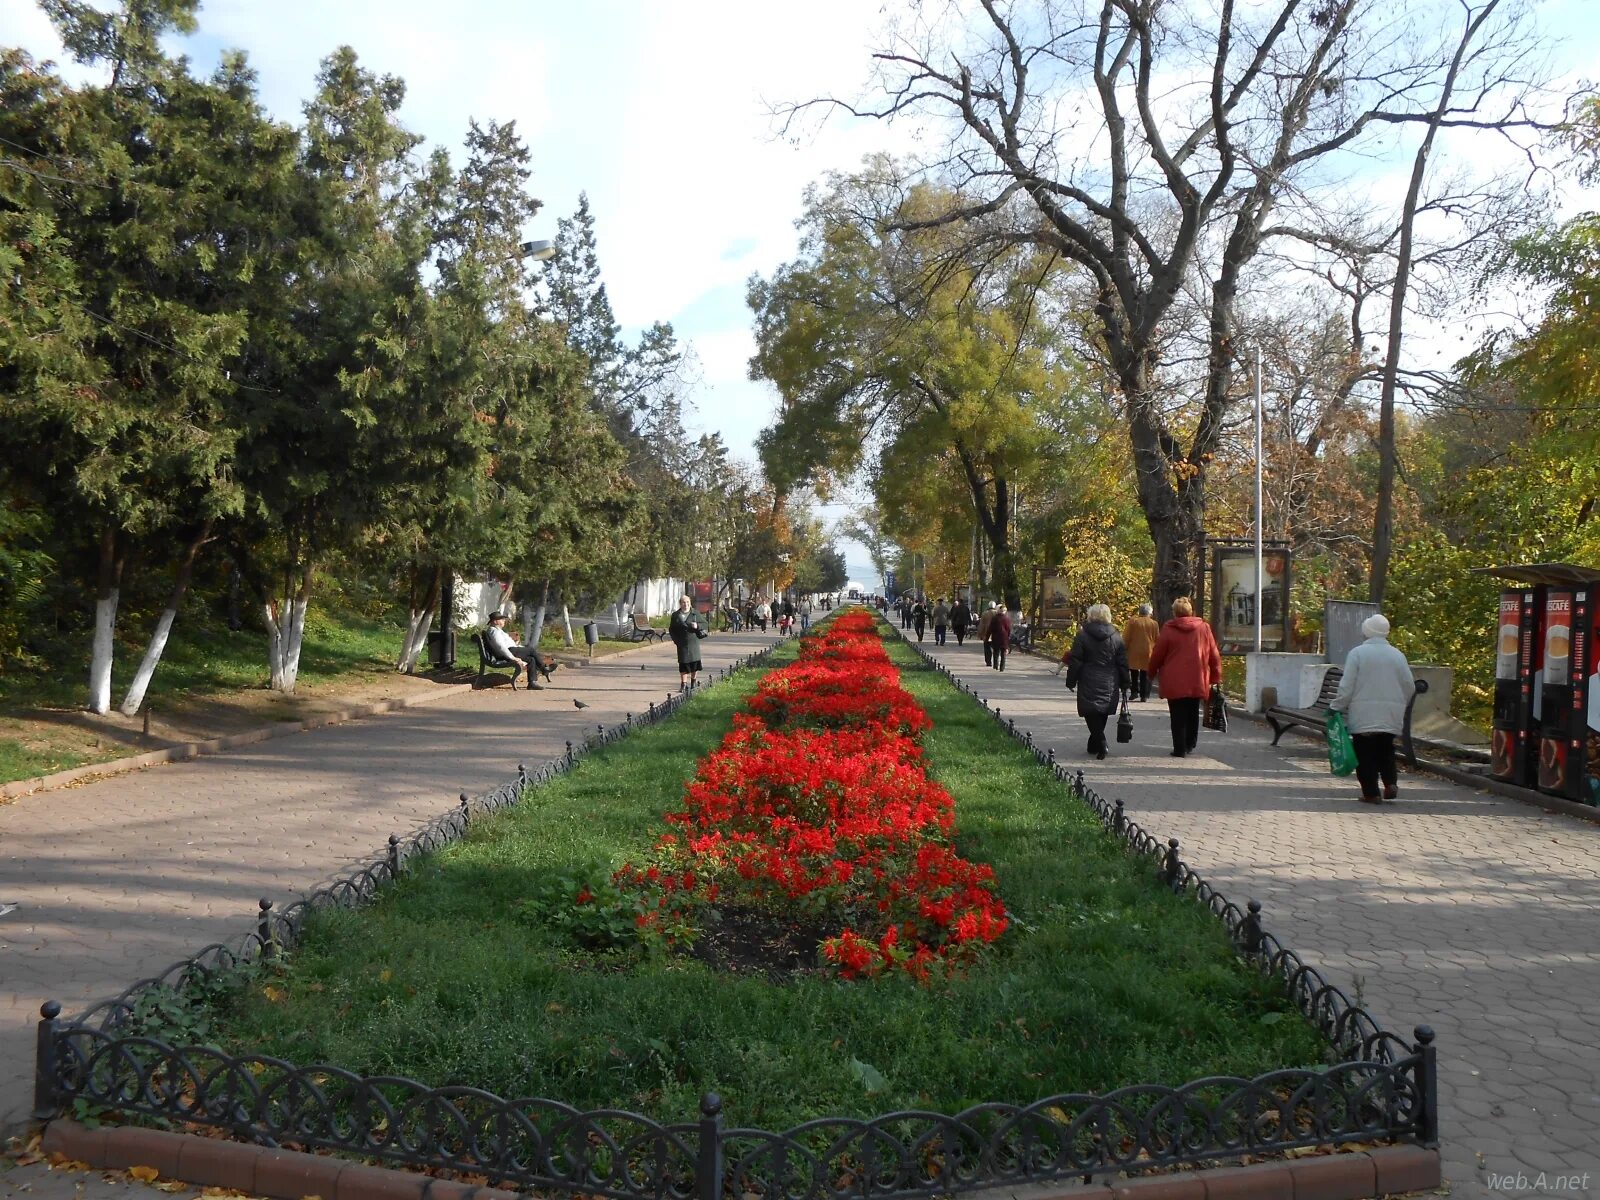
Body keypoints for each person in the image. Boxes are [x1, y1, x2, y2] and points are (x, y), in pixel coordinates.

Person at [1329, 614, 1416, 804]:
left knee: (1365, 753)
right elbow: (1409, 685)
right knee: (1386, 749)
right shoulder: (1398, 655)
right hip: (1391, 714)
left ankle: (1371, 793)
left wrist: (1336, 706)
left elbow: (1347, 686)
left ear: (1366, 631)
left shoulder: (1357, 653)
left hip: (1364, 715)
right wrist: (1401, 704)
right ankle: (1390, 782)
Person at [1146, 597, 1222, 757]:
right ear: (1191, 611)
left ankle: (1179, 748)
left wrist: (1151, 672)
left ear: (1175, 613)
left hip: (1174, 680)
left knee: (1177, 714)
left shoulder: (1168, 629)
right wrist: (1215, 676)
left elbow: (1158, 655)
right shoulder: (1204, 628)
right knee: (1193, 711)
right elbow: (1213, 654)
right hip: (1197, 677)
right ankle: (1190, 743)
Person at [1064, 603, 1130, 759]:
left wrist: (1071, 680)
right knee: (1101, 712)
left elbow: (1076, 661)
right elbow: (1122, 662)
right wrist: (1125, 682)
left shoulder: (1082, 636)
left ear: (1091, 616)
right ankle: (1093, 744)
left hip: (1088, 678)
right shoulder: (1116, 636)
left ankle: (1101, 742)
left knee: (1090, 712)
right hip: (1110, 680)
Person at [482, 611, 558, 692]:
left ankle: (532, 683)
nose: (504, 620)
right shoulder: (494, 631)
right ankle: (544, 669)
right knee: (531, 650)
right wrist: (513, 657)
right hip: (508, 652)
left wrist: (519, 649)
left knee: (531, 659)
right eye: (502, 619)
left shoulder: (498, 631)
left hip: (511, 650)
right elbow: (501, 647)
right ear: (495, 621)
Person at [669, 595, 707, 691]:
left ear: (690, 603)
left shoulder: (695, 613)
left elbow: (705, 624)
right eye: (683, 602)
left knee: (694, 664)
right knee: (683, 664)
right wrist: (676, 641)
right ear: (680, 604)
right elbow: (672, 629)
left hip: (693, 642)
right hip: (682, 643)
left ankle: (693, 682)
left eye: (687, 602)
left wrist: (697, 625)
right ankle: (683, 684)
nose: (686, 604)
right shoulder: (676, 615)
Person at [1123, 604, 1160, 702]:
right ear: (1150, 613)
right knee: (1146, 673)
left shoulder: (1133, 622)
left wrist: (1124, 648)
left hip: (1134, 650)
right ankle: (1145, 695)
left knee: (1134, 672)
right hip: (1148, 651)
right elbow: (1157, 639)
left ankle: (1134, 691)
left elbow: (1126, 637)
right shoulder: (1154, 624)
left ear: (1140, 612)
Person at [986, 602, 1012, 671]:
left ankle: (995, 665)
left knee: (996, 652)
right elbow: (1009, 629)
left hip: (996, 637)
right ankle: (1002, 667)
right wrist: (1008, 636)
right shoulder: (1007, 619)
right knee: (1003, 654)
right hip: (1004, 638)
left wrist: (987, 636)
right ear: (1004, 611)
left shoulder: (995, 618)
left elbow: (990, 628)